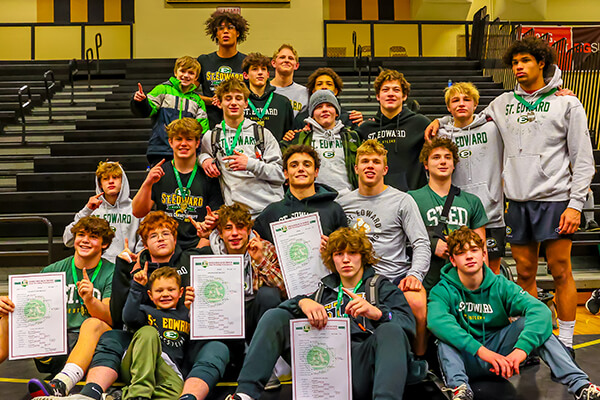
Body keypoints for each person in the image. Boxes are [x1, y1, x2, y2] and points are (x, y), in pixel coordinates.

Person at [40, 211, 229, 400]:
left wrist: (208, 236)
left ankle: (186, 397)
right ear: (145, 244)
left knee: (218, 347)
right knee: (113, 336)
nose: (161, 239)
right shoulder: (132, 267)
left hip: (181, 344)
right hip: (142, 343)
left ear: (175, 238)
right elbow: (121, 316)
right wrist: (124, 270)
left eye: (166, 234)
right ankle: (91, 394)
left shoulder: (193, 258)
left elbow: (224, 272)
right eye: (153, 236)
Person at [225, 227, 420, 400]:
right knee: (275, 316)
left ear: (363, 256)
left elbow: (407, 325)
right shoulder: (322, 291)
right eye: (338, 254)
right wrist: (302, 302)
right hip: (323, 364)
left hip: (364, 365)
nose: (345, 259)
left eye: (352, 253)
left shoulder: (381, 287)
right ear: (331, 259)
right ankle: (245, 394)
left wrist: (379, 314)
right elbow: (284, 314)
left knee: (391, 331)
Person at [428, 226, 600, 400]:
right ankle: (459, 390)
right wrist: (481, 351)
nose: (470, 256)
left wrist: (521, 350)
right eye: (461, 253)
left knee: (537, 326)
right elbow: (436, 321)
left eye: (474, 250)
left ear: (483, 255)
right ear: (453, 260)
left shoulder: (500, 285)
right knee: (444, 338)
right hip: (466, 360)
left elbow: (540, 311)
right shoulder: (442, 290)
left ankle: (581, 387)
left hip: (501, 360)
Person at [336, 139, 431, 357]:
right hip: (356, 279)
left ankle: (418, 361)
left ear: (385, 169)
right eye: (365, 161)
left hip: (393, 278)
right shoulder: (343, 203)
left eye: (376, 162)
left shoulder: (402, 201)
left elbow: (421, 243)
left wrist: (415, 274)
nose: (370, 166)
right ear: (356, 168)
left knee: (416, 301)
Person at [15, 217, 115, 398]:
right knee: (8, 314)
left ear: (105, 244)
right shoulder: (51, 271)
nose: (85, 240)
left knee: (92, 323)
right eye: (81, 235)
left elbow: (110, 318)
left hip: (95, 347)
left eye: (93, 236)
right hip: (57, 345)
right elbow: (31, 310)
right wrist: (12, 306)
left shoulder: (112, 272)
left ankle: (61, 383)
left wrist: (90, 300)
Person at [435, 82, 505, 274]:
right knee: (461, 268)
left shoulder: (493, 128)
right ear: (449, 107)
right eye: (455, 100)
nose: (461, 104)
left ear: (476, 104)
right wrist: (439, 122)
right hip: (459, 214)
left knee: (492, 271)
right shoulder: (442, 134)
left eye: (467, 99)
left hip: (491, 212)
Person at [408, 137, 488, 291]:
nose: (443, 162)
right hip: (427, 279)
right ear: (426, 164)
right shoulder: (411, 198)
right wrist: (432, 244)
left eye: (448, 157)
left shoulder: (472, 201)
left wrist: (484, 285)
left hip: (464, 281)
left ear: (454, 165)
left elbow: (481, 247)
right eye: (436, 157)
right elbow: (402, 240)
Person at [197, 203, 285, 342]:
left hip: (256, 309)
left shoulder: (264, 247)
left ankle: (263, 347)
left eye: (240, 227)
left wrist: (261, 260)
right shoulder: (208, 257)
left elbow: (284, 290)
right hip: (226, 312)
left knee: (269, 294)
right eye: (228, 228)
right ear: (220, 233)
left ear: (249, 230)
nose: (234, 233)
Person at [132, 117, 223, 251]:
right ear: (170, 142)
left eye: (189, 139)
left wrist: (199, 248)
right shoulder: (159, 173)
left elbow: (214, 216)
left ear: (197, 143)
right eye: (179, 139)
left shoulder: (208, 175)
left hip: (199, 244)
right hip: (165, 245)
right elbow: (137, 212)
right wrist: (147, 182)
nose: (184, 144)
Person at [199, 78, 285, 218]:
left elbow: (279, 175)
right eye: (228, 98)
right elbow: (201, 154)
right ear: (219, 103)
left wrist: (250, 164)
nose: (233, 103)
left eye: (238, 98)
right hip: (238, 215)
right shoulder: (212, 136)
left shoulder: (262, 133)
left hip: (270, 210)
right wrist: (204, 159)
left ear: (245, 103)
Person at [120, 266, 193, 400]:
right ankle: (138, 395)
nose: (165, 294)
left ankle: (122, 395)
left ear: (181, 292)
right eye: (159, 291)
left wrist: (195, 306)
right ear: (150, 295)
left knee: (175, 393)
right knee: (148, 331)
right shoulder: (145, 311)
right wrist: (136, 287)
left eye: (171, 290)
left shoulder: (187, 314)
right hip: (138, 364)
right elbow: (128, 317)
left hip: (167, 368)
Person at [253, 144, 347, 244]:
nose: (301, 169)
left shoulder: (334, 210)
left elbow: (345, 252)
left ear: (316, 172)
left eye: (307, 165)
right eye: (294, 165)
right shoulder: (271, 213)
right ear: (286, 173)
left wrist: (331, 250)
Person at [357, 69, 431, 192]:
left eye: (396, 90)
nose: (391, 94)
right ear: (377, 96)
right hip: (376, 198)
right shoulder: (365, 129)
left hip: (412, 197)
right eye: (385, 90)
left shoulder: (420, 124)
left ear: (404, 96)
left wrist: (440, 121)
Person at [131, 56, 209, 165]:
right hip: (161, 149)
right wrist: (141, 101)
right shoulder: (163, 89)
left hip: (186, 151)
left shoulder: (197, 101)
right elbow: (147, 110)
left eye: (191, 73)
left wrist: (198, 151)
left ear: (196, 77)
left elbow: (202, 129)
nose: (186, 75)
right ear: (175, 72)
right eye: (182, 71)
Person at [282, 89, 360, 196]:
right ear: (312, 114)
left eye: (329, 105)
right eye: (319, 107)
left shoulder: (352, 137)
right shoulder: (298, 138)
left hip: (349, 198)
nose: (324, 110)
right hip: (313, 199)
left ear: (337, 112)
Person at [63, 161, 140, 264]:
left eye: (115, 177)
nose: (111, 181)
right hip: (97, 268)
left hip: (128, 265)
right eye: (106, 178)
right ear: (100, 184)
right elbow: (67, 240)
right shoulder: (93, 210)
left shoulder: (135, 208)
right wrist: (87, 211)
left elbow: (143, 242)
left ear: (123, 181)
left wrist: (137, 261)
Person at [197, 11, 249, 128]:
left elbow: (254, 93)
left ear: (238, 33)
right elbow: (188, 93)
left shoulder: (247, 62)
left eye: (230, 28)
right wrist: (210, 100)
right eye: (220, 28)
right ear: (216, 34)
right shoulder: (204, 61)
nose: (225, 31)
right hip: (210, 123)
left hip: (240, 123)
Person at [242, 52, 294, 141]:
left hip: (275, 153)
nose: (260, 73)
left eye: (263, 69)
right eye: (255, 69)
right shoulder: (239, 101)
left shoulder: (283, 102)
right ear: (246, 75)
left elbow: (290, 133)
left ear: (268, 74)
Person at [292, 67, 363, 130]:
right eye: (319, 84)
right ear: (313, 90)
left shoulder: (349, 118)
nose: (324, 87)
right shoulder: (301, 119)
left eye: (329, 84)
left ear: (335, 91)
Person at [269, 44, 308, 117]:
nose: (286, 60)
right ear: (273, 63)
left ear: (296, 65)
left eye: (290, 58)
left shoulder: (305, 92)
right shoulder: (264, 89)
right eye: (282, 57)